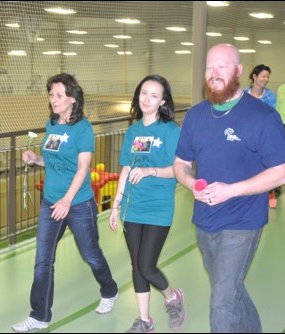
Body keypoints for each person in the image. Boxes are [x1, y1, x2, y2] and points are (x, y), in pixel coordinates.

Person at [173, 44, 285, 333]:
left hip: (242, 222)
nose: (214, 74)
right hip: (204, 220)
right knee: (229, 288)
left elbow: (282, 173)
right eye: (210, 67)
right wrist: (191, 183)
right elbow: (180, 164)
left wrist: (231, 190)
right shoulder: (196, 116)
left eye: (222, 67)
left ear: (239, 71)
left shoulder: (262, 117)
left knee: (221, 302)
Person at [12, 73, 118, 333]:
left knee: (91, 254)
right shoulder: (51, 124)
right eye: (51, 95)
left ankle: (109, 289)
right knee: (43, 260)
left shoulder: (83, 128)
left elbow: (82, 167)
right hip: (50, 203)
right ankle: (39, 315)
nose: (54, 100)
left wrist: (67, 200)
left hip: (78, 204)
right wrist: (36, 160)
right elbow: (55, 161)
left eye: (59, 95)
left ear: (72, 98)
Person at [109, 75, 184, 333]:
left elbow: (179, 170)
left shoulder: (170, 130)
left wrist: (151, 170)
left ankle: (173, 296)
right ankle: (145, 321)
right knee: (136, 265)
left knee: (146, 265)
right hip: (133, 205)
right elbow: (126, 168)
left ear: (163, 101)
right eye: (143, 92)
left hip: (158, 206)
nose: (146, 99)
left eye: (154, 95)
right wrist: (116, 205)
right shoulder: (133, 131)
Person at [244, 64, 279, 208]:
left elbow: (271, 115)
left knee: (265, 166)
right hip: (245, 135)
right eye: (263, 76)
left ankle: (269, 192)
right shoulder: (243, 94)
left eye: (268, 76)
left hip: (263, 136)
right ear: (254, 77)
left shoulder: (270, 96)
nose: (266, 79)